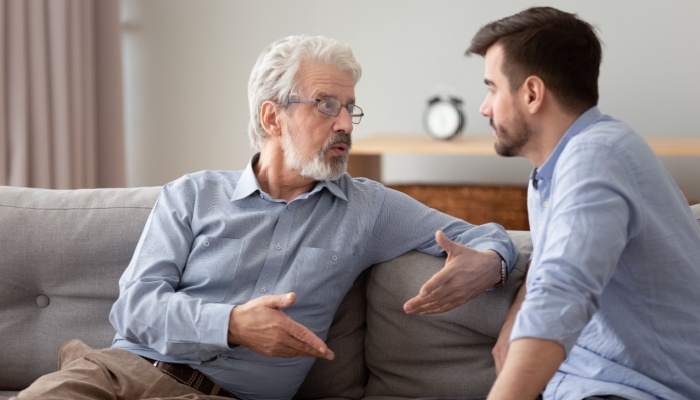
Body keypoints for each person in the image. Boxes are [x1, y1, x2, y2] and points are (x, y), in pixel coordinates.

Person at [12, 35, 517, 400]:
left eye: (349, 108)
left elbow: (486, 234)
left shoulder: (369, 207)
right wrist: (231, 324)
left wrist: (492, 262)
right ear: (272, 117)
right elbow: (134, 311)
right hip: (115, 373)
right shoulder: (191, 195)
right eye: (325, 105)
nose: (344, 122)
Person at [464, 6, 700, 400]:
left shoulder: (596, 158)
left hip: (632, 391)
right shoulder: (555, 168)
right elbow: (555, 258)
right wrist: (514, 321)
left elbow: (563, 291)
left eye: (492, 88)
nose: (484, 107)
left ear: (532, 94)